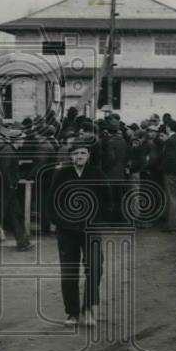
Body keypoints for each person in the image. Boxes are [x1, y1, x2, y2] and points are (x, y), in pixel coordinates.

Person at [48, 137, 111, 326]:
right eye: (75, 153)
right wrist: (57, 221)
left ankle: (89, 309)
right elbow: (51, 199)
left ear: (89, 155)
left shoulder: (97, 174)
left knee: (95, 268)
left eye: (83, 153)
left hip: (91, 229)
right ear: (70, 156)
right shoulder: (62, 174)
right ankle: (72, 313)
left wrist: (98, 221)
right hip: (67, 231)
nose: (79, 156)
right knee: (69, 272)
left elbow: (107, 201)